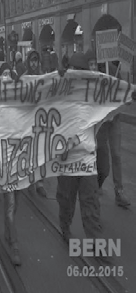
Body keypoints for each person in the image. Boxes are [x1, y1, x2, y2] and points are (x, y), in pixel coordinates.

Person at [57, 52, 103, 245]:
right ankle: (65, 228)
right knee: (66, 200)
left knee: (90, 201)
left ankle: (95, 241)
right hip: (67, 160)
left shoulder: (94, 96)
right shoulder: (60, 97)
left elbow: (112, 105)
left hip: (87, 160)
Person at [88, 48, 131, 208]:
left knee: (117, 154)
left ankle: (119, 191)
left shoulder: (114, 71)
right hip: (102, 121)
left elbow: (123, 91)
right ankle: (97, 185)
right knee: (101, 154)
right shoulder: (94, 75)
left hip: (115, 120)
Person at [22, 50, 47, 198]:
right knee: (31, 151)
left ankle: (40, 183)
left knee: (42, 151)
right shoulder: (25, 77)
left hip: (41, 121)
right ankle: (30, 177)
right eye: (32, 60)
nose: (33, 63)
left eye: (36, 61)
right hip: (29, 121)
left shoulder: (44, 77)